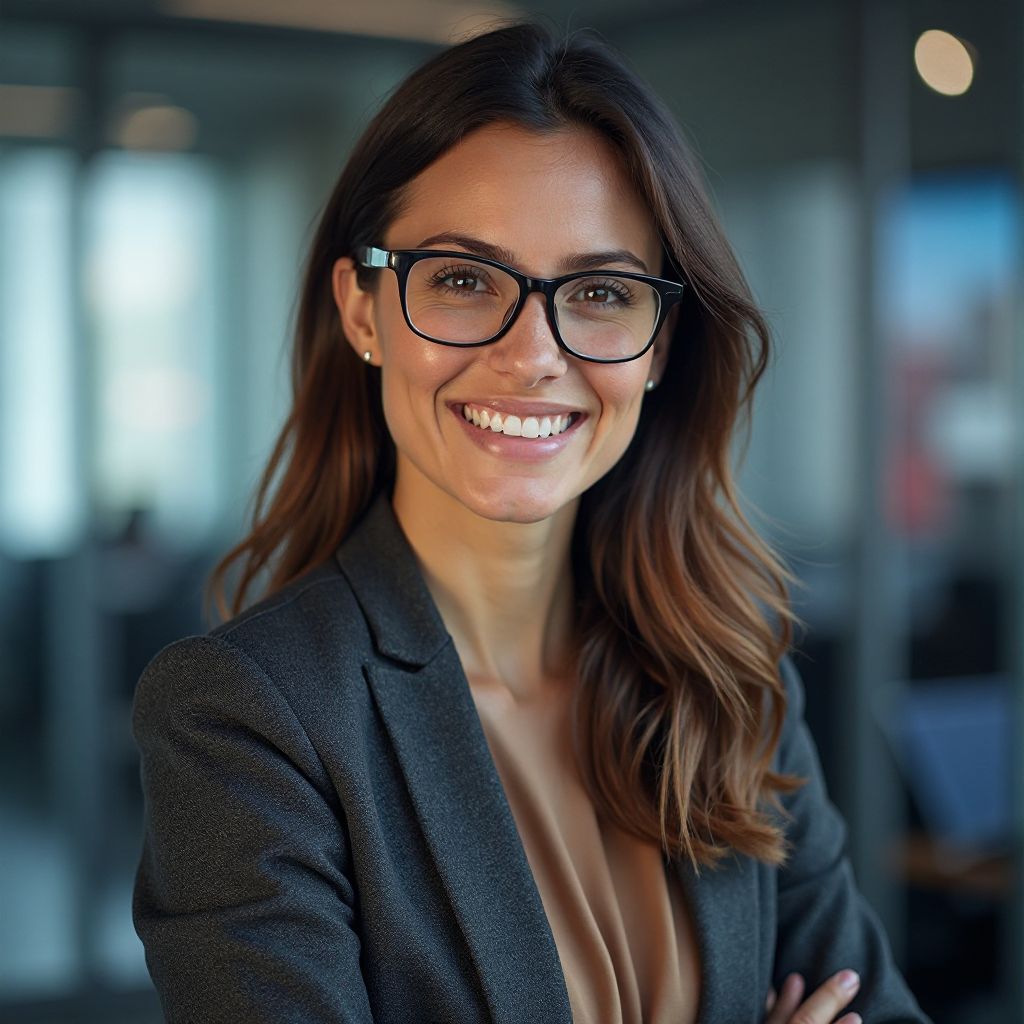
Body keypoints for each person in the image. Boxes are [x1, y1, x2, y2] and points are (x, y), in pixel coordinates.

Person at [130, 20, 934, 1024]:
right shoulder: (249, 718)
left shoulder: (733, 682)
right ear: (364, 308)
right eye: (464, 280)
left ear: (657, 342)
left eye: (599, 292)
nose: (532, 354)